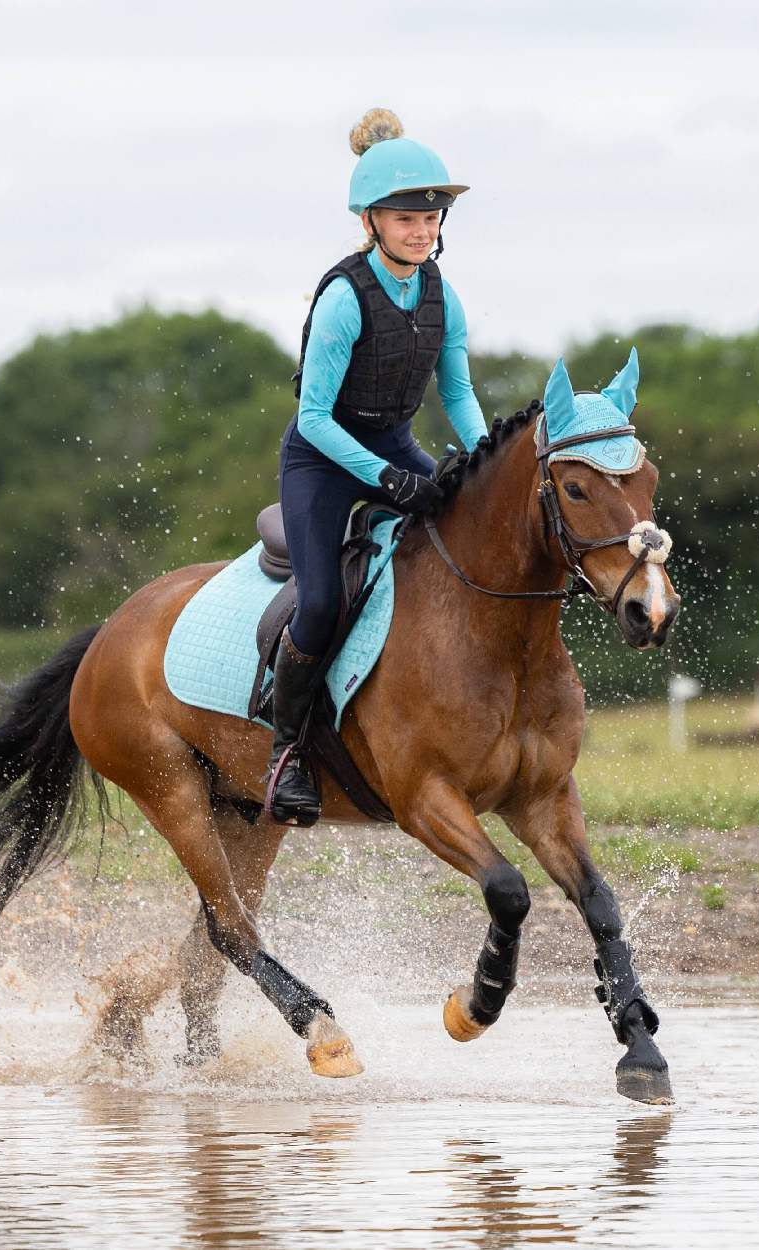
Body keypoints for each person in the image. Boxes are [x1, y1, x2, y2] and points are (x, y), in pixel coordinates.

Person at [266, 107, 488, 826]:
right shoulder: (341, 299)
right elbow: (313, 421)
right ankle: (288, 750)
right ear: (371, 222)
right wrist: (388, 478)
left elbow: (455, 390)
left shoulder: (440, 294)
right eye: (405, 220)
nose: (421, 232)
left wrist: (485, 462)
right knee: (324, 600)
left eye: (430, 220)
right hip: (322, 462)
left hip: (392, 444)